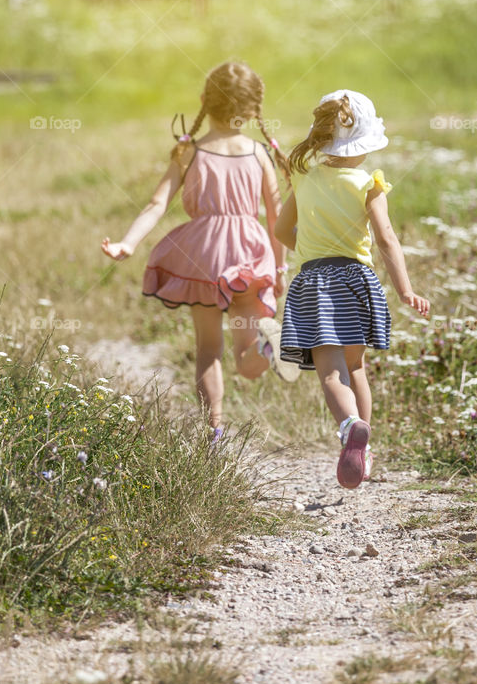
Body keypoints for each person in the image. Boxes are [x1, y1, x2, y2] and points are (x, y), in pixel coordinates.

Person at [101, 60, 298, 442]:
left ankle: (215, 432)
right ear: (254, 109)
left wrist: (129, 242)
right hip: (249, 257)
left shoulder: (188, 151)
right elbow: (277, 219)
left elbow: (156, 205)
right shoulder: (258, 154)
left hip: (202, 258)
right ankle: (266, 348)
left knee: (208, 348)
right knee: (245, 360)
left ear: (205, 100)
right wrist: (278, 269)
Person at [275, 89, 429, 488]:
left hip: (315, 283)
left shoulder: (302, 177)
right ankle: (365, 444)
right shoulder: (368, 183)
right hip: (357, 281)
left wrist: (309, 250)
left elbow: (279, 230)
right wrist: (406, 289)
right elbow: (387, 240)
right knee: (356, 366)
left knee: (330, 374)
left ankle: (349, 426)